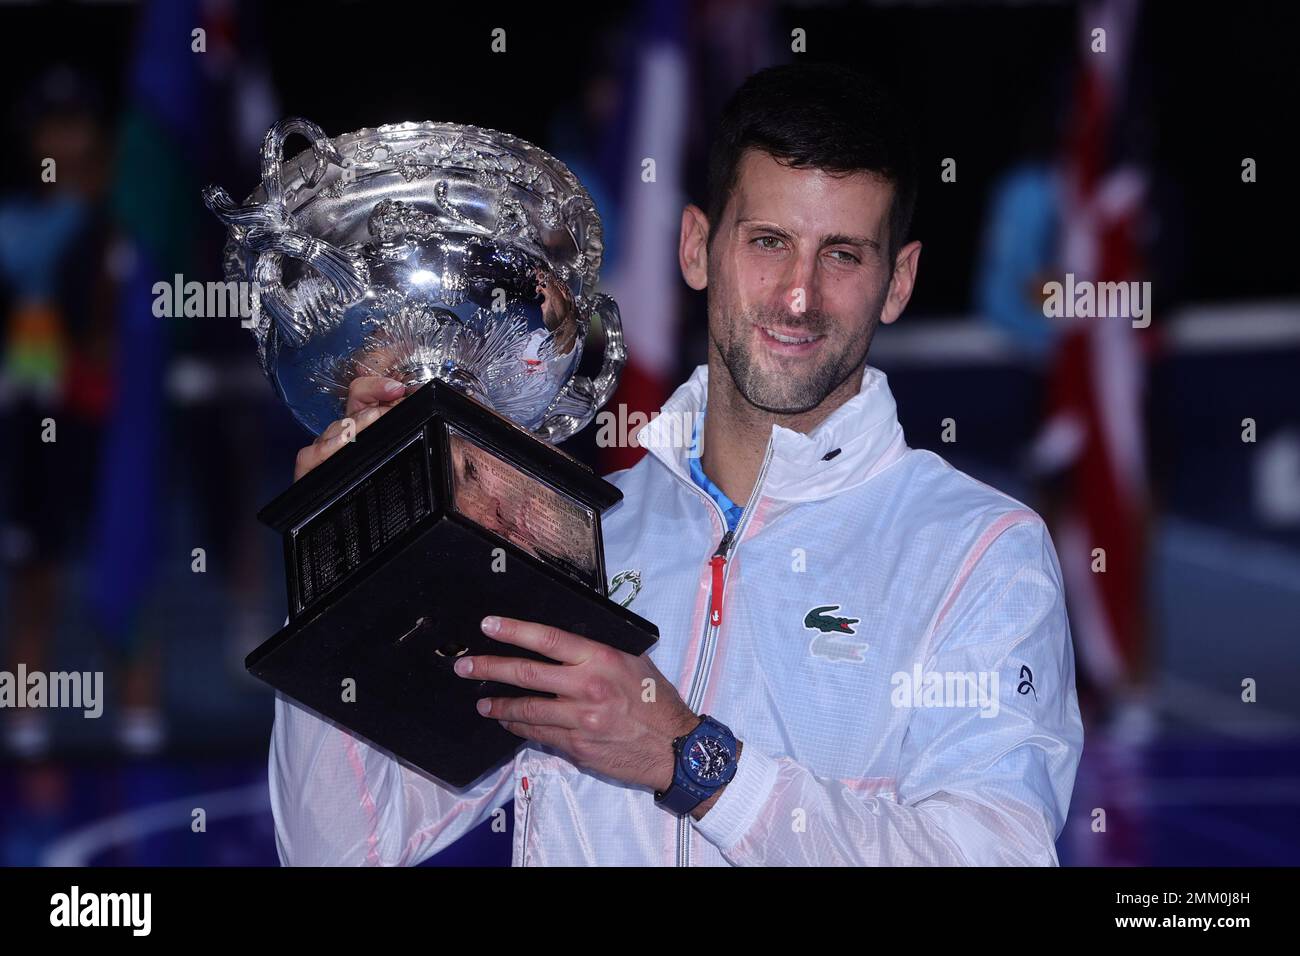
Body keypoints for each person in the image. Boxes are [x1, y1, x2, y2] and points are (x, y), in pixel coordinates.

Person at [271, 62, 1084, 866]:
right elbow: (341, 848)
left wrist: (691, 760)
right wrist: (347, 557)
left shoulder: (981, 553)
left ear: (897, 281)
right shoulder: (576, 537)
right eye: (767, 242)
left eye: (842, 255)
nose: (799, 296)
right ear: (697, 247)